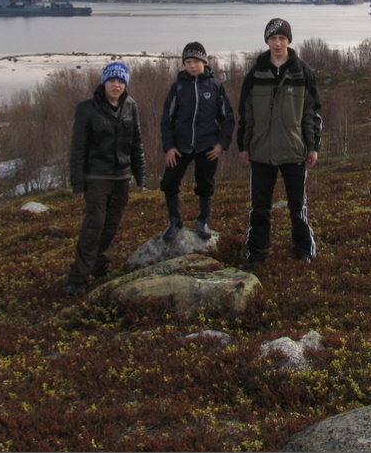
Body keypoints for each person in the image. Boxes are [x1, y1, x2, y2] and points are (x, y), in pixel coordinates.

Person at [236, 18, 322, 263]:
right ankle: (257, 253)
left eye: (282, 38)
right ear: (267, 41)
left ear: (289, 41)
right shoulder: (255, 73)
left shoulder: (302, 72)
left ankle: (304, 251)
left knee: (298, 207)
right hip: (261, 152)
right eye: (273, 38)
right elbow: (246, 113)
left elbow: (311, 113)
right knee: (259, 208)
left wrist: (313, 146)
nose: (277, 43)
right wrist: (243, 146)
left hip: (294, 151)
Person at [65, 61, 146, 295]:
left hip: (121, 177)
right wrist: (78, 183)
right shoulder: (86, 109)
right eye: (112, 80)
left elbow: (136, 143)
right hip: (96, 176)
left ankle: (99, 264)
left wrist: (141, 176)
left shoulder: (131, 106)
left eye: (121, 81)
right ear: (104, 82)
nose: (116, 85)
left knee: (111, 225)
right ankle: (77, 276)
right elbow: (77, 148)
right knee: (95, 224)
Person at [158, 42, 235, 241]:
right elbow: (167, 120)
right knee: (169, 183)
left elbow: (228, 118)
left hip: (207, 146)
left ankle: (204, 221)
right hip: (180, 146)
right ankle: (175, 221)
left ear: (204, 62)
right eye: (188, 62)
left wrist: (221, 144)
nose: (192, 66)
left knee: (205, 185)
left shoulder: (215, 86)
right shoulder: (178, 88)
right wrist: (169, 147)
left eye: (196, 61)